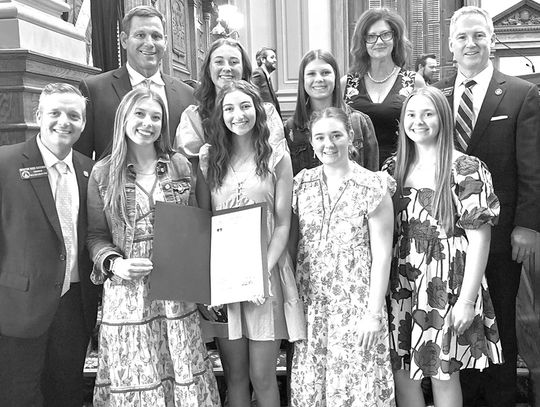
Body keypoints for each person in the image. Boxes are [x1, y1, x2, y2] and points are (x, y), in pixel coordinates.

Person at [433, 6, 540, 406]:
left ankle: (500, 399)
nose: (470, 44)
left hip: (499, 236)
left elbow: (532, 166)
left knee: (499, 326)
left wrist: (527, 225)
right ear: (450, 46)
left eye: (478, 35)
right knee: (459, 324)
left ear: (491, 42)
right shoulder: (440, 98)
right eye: (462, 37)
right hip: (446, 238)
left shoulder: (520, 93)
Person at [86, 88, 220, 406]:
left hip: (173, 292)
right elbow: (95, 236)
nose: (148, 123)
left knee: (180, 371)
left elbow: (197, 226)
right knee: (136, 375)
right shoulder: (103, 173)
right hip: (127, 292)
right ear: (123, 119)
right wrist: (115, 263)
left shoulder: (179, 167)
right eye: (140, 114)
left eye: (156, 117)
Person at [383, 86, 503, 407]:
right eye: (411, 114)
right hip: (401, 280)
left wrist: (466, 300)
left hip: (446, 281)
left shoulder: (466, 168)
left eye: (427, 113)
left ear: (443, 118)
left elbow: (480, 238)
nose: (418, 121)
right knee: (402, 372)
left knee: (442, 373)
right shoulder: (392, 169)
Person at [196, 80, 305, 407]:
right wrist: (207, 284)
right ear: (220, 114)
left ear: (258, 111)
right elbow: (203, 221)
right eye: (229, 108)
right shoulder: (208, 158)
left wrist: (260, 272)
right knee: (236, 377)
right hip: (225, 280)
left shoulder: (276, 157)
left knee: (263, 376)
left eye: (245, 106)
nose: (237, 114)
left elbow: (283, 223)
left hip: (265, 276)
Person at [0, 83, 99, 407]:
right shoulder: (6, 164)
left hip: (73, 306)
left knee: (67, 392)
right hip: (19, 306)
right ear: (39, 115)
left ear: (83, 123)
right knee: (19, 395)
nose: (64, 122)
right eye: (55, 113)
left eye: (74, 115)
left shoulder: (89, 170)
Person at [290, 107, 395, 406]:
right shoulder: (301, 184)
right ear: (311, 142)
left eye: (336, 135)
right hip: (313, 308)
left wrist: (373, 314)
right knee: (313, 389)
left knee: (357, 389)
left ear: (351, 138)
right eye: (320, 137)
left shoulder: (373, 185)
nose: (329, 144)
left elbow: (382, 255)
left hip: (356, 307)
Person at [75, 5, 195, 159]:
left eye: (156, 36)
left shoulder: (187, 95)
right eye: (140, 35)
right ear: (124, 40)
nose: (149, 43)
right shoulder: (94, 90)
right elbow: (80, 158)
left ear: (165, 42)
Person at [175, 38, 284, 160]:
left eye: (233, 62)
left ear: (243, 69)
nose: (227, 68)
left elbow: (278, 164)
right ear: (209, 70)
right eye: (219, 62)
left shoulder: (267, 114)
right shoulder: (194, 118)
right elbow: (190, 171)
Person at [343, 7, 418, 165]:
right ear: (362, 42)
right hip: (357, 172)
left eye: (385, 34)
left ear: (395, 38)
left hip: (402, 170)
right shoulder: (346, 84)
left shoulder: (413, 82)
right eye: (371, 36)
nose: (379, 42)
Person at [285, 49, 379, 175]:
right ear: (303, 80)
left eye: (325, 73)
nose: (319, 79)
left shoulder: (359, 122)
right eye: (311, 74)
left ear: (335, 77)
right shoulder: (291, 128)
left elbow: (372, 176)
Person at [252, 47, 281, 116]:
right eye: (272, 57)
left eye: (275, 58)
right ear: (263, 60)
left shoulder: (266, 76)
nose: (275, 60)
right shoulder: (258, 74)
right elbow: (252, 95)